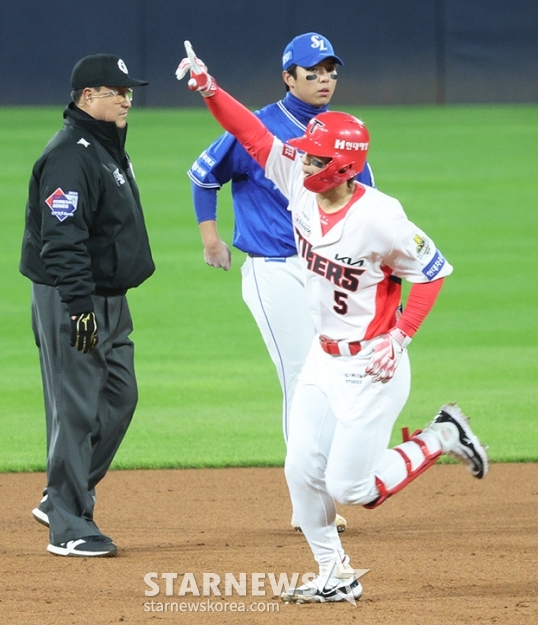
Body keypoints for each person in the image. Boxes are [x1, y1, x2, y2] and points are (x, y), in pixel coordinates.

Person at [176, 42, 489, 603]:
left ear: (343, 165)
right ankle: (335, 573)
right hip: (325, 359)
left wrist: (402, 335)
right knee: (301, 469)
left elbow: (434, 271)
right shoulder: (299, 178)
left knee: (354, 489)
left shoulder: (381, 218)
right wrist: (208, 88)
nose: (303, 160)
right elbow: (250, 133)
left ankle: (442, 435)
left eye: (316, 157)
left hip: (373, 364)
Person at [188, 33, 374, 533]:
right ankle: (310, 505)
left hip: (329, 272)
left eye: (330, 70)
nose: (324, 80)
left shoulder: (338, 132)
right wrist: (211, 239)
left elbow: (366, 206)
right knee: (302, 378)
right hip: (274, 270)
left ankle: (321, 491)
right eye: (312, 72)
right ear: (288, 77)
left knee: (335, 379)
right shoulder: (266, 130)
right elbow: (204, 175)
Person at [20, 53, 155, 557]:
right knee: (76, 409)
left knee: (120, 396)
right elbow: (61, 239)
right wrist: (77, 305)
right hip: (73, 296)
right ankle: (69, 526)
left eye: (127, 91)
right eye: (114, 90)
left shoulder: (103, 146)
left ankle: (62, 494)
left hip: (111, 298)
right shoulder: (70, 155)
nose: (125, 98)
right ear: (86, 98)